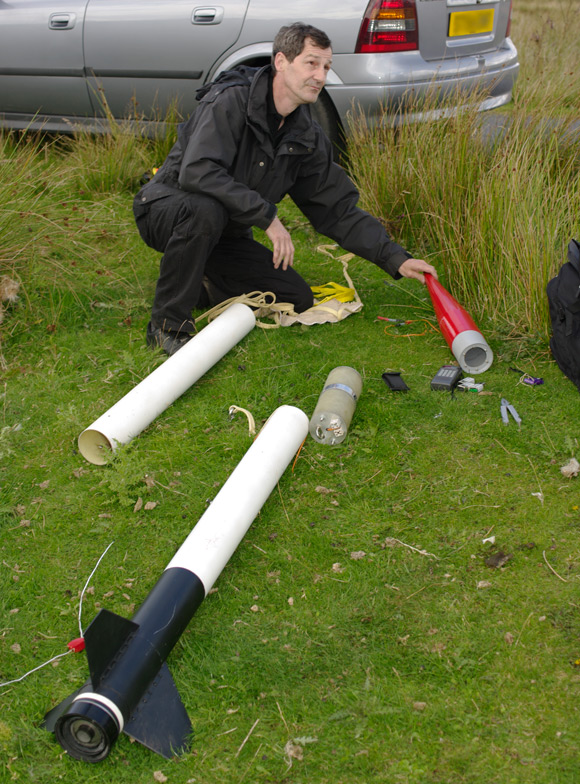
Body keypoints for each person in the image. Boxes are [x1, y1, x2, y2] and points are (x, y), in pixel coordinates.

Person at [133, 22, 437, 355]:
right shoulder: (231, 99)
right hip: (166, 210)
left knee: (294, 295)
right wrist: (268, 218)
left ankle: (197, 280)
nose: (320, 76)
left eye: (326, 67)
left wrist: (394, 258)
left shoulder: (306, 135)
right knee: (206, 210)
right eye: (311, 63)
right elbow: (197, 171)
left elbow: (336, 209)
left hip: (225, 233)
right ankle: (167, 325)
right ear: (281, 62)